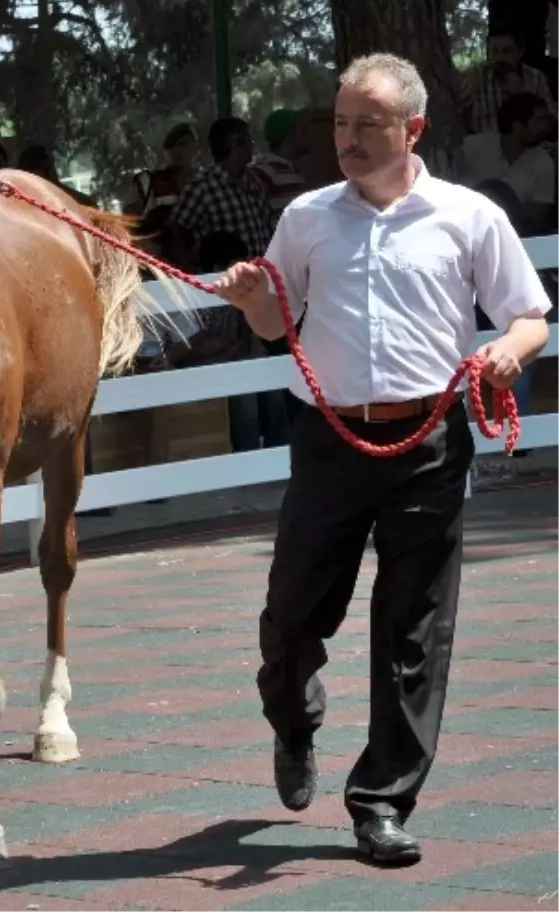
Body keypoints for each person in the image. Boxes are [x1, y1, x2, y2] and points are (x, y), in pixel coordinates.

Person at [214, 54, 551, 866]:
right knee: (291, 618)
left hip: (430, 446)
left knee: (414, 632)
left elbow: (531, 315)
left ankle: (381, 804)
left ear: (413, 129)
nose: (350, 139)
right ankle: (293, 722)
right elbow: (272, 321)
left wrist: (506, 352)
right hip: (330, 443)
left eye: (369, 123)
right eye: (341, 123)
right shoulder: (305, 218)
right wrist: (253, 296)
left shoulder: (468, 216)